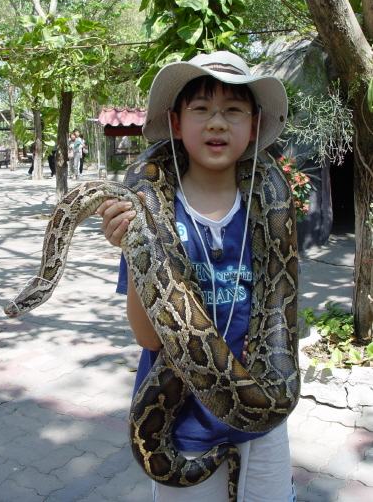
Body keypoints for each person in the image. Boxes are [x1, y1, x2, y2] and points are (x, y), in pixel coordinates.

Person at [97, 51, 296, 502]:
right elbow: (149, 339)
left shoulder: (266, 205)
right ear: (175, 121)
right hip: (183, 429)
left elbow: (282, 301)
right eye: (201, 109)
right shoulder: (148, 213)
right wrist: (132, 245)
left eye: (233, 110)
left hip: (265, 423)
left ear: (254, 123)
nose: (217, 123)